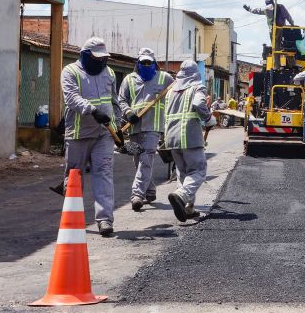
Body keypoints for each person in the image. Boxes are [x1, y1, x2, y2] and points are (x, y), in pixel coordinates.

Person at [61, 37, 121, 236]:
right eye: (97, 58)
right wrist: (93, 110)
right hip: (79, 134)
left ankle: (105, 219)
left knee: (104, 173)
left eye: (104, 59)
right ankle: (73, 219)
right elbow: (71, 98)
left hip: (104, 134)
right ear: (86, 55)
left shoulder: (109, 73)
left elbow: (114, 102)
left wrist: (118, 126)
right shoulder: (70, 72)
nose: (101, 62)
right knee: (74, 178)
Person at [118, 48, 173, 211]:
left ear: (154, 63)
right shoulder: (129, 79)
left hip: (154, 127)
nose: (146, 65)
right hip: (134, 127)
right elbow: (121, 99)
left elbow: (176, 92)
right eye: (143, 62)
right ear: (138, 63)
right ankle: (150, 191)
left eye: (149, 62)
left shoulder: (165, 78)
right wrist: (128, 112)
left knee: (146, 159)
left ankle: (137, 195)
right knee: (138, 161)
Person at [165, 60, 215, 222]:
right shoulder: (196, 88)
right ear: (195, 74)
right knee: (198, 170)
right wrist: (208, 118)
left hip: (172, 138)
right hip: (189, 136)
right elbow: (199, 104)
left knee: (183, 173)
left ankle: (188, 208)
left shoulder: (171, 90)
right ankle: (182, 195)